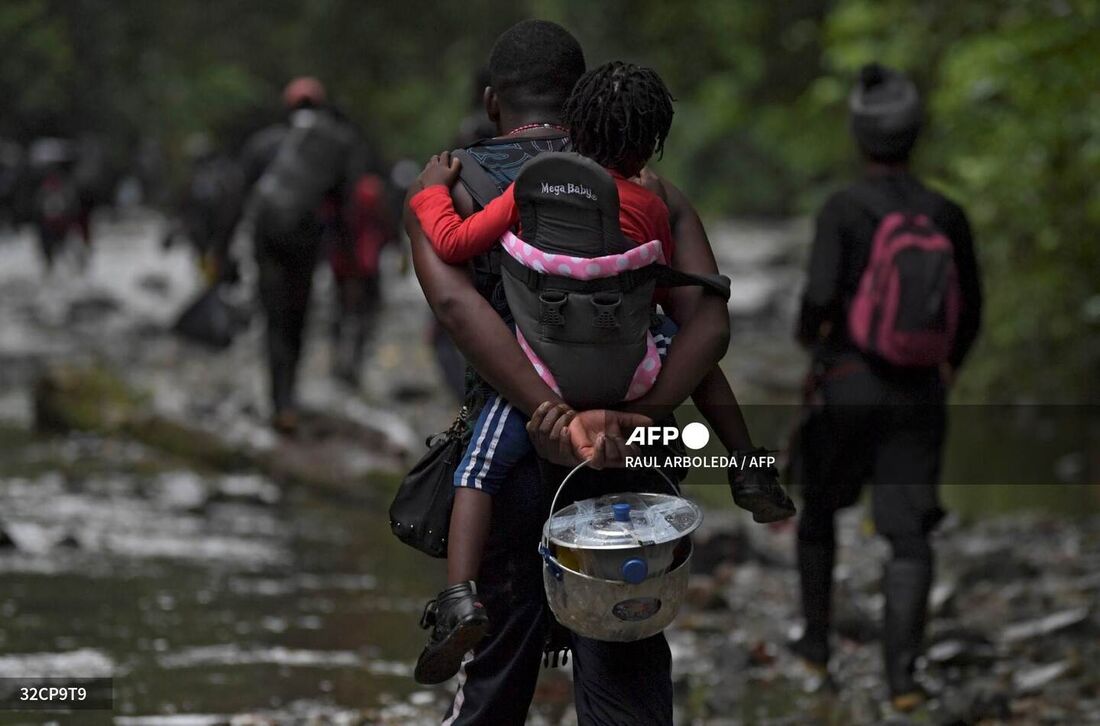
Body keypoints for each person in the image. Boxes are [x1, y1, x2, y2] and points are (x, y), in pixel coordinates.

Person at [406, 20, 763, 725]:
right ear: (587, 99)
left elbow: (453, 305)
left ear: (490, 102)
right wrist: (648, 414)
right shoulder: (649, 188)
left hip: (515, 451)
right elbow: (707, 322)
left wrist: (550, 410)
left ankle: (466, 615)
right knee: (624, 655)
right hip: (629, 453)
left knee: (495, 671)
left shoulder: (454, 184)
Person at [790, 63, 982, 711]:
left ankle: (815, 651)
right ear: (915, 135)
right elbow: (971, 309)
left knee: (818, 513)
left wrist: (810, 341)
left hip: (847, 384)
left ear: (859, 135)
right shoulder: (946, 213)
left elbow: (818, 296)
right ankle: (902, 682)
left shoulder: (843, 209)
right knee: (909, 534)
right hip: (919, 392)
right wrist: (946, 364)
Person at [235, 76, 358, 432]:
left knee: (272, 317)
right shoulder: (333, 144)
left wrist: (222, 252)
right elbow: (343, 207)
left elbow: (238, 200)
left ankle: (279, 400)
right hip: (306, 239)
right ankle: (290, 397)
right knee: (297, 314)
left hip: (267, 239)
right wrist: (347, 260)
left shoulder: (263, 144)